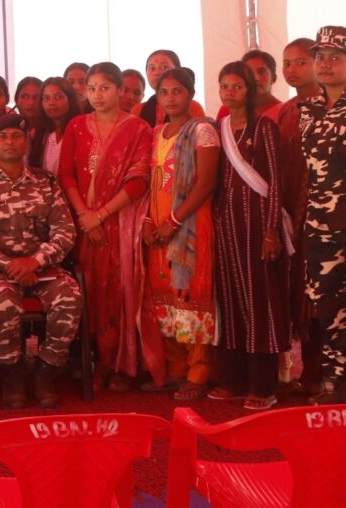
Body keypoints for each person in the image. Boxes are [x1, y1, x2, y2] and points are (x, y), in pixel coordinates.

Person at [0, 114, 81, 410]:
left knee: (70, 297)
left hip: (43, 269)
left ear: (25, 143)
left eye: (16, 136)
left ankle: (45, 372)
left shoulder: (45, 182)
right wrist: (9, 265)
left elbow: (65, 232)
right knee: (2, 301)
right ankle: (11, 375)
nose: (10, 142)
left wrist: (34, 262)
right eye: (3, 137)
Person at [58, 62, 164, 391]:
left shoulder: (138, 129)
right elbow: (66, 175)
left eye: (104, 88)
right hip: (84, 224)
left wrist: (101, 215)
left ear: (120, 90)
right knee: (92, 292)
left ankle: (122, 364)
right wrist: (84, 215)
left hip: (121, 223)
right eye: (91, 88)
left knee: (120, 291)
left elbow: (139, 179)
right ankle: (96, 361)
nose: (97, 95)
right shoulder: (77, 126)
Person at [209, 62, 287, 410]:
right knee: (230, 301)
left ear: (249, 90)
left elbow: (275, 183)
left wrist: (271, 231)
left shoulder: (265, 127)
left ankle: (263, 386)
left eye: (236, 86)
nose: (229, 92)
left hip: (258, 224)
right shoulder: (219, 127)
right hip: (227, 226)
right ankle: (235, 381)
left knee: (260, 301)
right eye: (224, 86)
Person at [143, 68, 219, 400]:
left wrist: (172, 222)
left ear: (190, 94)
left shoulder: (203, 131)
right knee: (163, 296)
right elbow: (151, 183)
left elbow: (205, 184)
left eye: (177, 91)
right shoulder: (155, 133)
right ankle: (175, 369)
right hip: (158, 227)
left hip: (189, 225)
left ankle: (199, 372)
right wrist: (149, 221)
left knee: (190, 295)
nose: (170, 98)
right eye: (164, 92)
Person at [299, 25, 346, 404]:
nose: (325, 63)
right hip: (319, 225)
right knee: (327, 308)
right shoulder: (308, 109)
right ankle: (335, 384)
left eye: (336, 57)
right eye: (320, 57)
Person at [277, 38, 319, 392]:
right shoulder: (287, 110)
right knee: (298, 292)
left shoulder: (334, 107)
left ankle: (322, 376)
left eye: (300, 62)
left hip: (326, 216)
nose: (292, 69)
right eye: (287, 63)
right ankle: (308, 374)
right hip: (291, 213)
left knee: (323, 295)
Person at [136, 50, 205, 127]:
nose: (156, 73)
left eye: (164, 67)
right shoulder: (138, 110)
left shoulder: (193, 107)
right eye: (152, 68)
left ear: (178, 71)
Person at [28, 76, 80, 174]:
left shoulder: (80, 131)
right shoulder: (38, 133)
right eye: (46, 98)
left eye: (58, 97)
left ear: (70, 99)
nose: (51, 103)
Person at [242, 49, 284, 119]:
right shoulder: (230, 109)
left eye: (261, 72)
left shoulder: (284, 112)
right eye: (250, 72)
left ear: (273, 78)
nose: (256, 78)